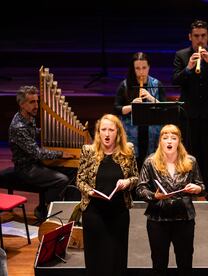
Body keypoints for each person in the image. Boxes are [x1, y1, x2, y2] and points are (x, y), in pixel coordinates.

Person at [136, 124, 204, 276]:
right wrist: (155, 196)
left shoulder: (190, 161)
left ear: (179, 141)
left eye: (173, 138)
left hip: (184, 218)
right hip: (158, 219)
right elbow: (140, 189)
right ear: (160, 141)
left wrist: (197, 189)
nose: (169, 141)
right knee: (159, 264)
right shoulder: (150, 162)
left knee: (185, 263)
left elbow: (201, 186)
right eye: (165, 138)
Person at [172, 19, 208, 200]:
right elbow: (175, 81)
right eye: (196, 36)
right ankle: (188, 193)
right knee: (189, 153)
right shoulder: (181, 56)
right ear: (190, 37)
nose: (200, 40)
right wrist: (189, 68)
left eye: (203, 36)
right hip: (188, 114)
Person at [76, 114, 139, 276]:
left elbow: (135, 177)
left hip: (118, 212)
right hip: (94, 212)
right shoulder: (88, 151)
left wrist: (127, 183)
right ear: (98, 133)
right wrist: (90, 191)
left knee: (117, 257)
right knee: (96, 257)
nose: (107, 133)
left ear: (117, 133)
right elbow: (80, 180)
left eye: (111, 130)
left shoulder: (128, 151)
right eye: (103, 130)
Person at [8, 85, 74, 218]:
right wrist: (61, 154)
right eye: (32, 102)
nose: (36, 105)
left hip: (36, 162)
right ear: (22, 104)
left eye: (37, 101)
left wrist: (50, 132)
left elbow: (33, 133)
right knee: (62, 180)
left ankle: (68, 210)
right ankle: (44, 209)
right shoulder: (18, 127)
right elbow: (36, 153)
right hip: (26, 168)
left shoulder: (28, 116)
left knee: (72, 170)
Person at [114, 52, 166, 167]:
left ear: (149, 67)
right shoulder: (125, 85)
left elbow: (165, 108)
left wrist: (150, 98)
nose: (141, 72)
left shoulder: (156, 84)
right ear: (133, 69)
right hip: (131, 133)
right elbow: (116, 109)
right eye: (137, 68)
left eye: (144, 68)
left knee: (150, 163)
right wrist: (132, 106)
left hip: (153, 133)